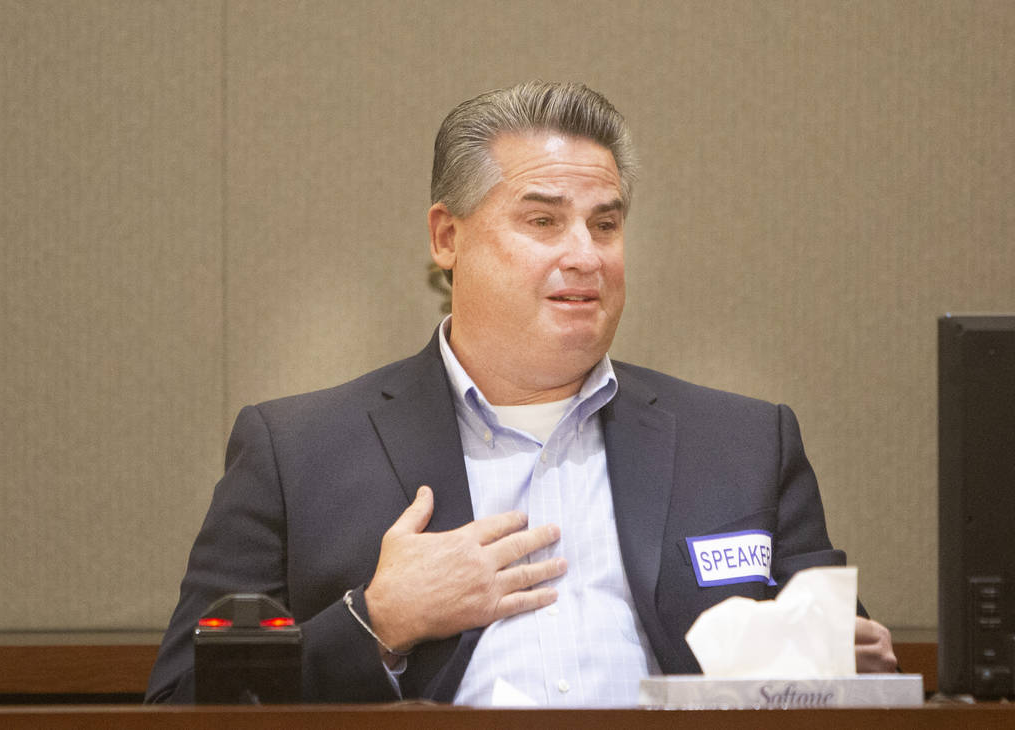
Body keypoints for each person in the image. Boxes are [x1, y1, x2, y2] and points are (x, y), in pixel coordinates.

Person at [146, 81, 896, 706]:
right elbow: (183, 705)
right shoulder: (296, 451)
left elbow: (846, 678)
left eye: (606, 225)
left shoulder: (742, 445)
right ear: (448, 238)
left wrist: (853, 670)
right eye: (543, 220)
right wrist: (378, 622)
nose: (585, 255)